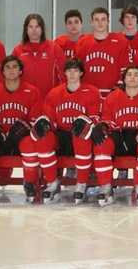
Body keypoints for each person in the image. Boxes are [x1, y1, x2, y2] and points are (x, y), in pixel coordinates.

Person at [0, 56, 44, 203]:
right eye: (7, 67)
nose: (11, 70)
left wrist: (26, 127)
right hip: (0, 140)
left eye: (15, 67)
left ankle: (30, 183)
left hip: (20, 140)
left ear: (20, 70)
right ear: (2, 72)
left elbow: (36, 119)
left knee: (30, 143)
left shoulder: (32, 91)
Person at [97, 65, 138, 206]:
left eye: (136, 75)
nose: (132, 77)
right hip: (119, 136)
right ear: (124, 79)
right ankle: (106, 187)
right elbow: (106, 119)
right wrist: (105, 127)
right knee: (102, 143)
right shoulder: (113, 96)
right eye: (129, 74)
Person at [41, 59, 102, 205]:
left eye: (75, 70)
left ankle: (81, 183)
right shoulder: (54, 93)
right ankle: (52, 182)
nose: (72, 74)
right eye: (69, 70)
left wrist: (85, 123)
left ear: (81, 73)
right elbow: (49, 118)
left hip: (82, 137)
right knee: (43, 138)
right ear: (65, 73)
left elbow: (95, 117)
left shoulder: (92, 92)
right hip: (62, 135)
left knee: (80, 136)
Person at [74, 7, 130, 99]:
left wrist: (117, 89)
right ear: (91, 22)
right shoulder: (82, 43)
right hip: (87, 95)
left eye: (103, 19)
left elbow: (126, 70)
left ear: (108, 21)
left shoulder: (121, 42)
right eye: (96, 20)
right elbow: (76, 70)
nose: (100, 23)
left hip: (113, 95)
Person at [12, 14, 65, 100]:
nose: (34, 30)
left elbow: (63, 77)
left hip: (49, 100)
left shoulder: (54, 48)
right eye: (31, 27)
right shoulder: (17, 51)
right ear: (26, 29)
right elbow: (12, 77)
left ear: (42, 29)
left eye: (37, 27)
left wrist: (59, 96)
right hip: (24, 101)